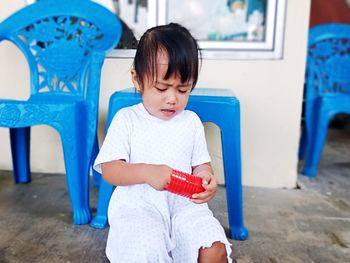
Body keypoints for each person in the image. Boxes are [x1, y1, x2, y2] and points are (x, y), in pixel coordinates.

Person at [94, 23, 232, 263]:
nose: (172, 99)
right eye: (162, 88)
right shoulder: (127, 119)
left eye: (183, 89)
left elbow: (201, 165)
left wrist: (207, 179)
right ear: (138, 80)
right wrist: (147, 172)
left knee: (214, 248)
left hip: (184, 206)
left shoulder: (190, 122)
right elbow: (110, 170)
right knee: (144, 250)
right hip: (139, 207)